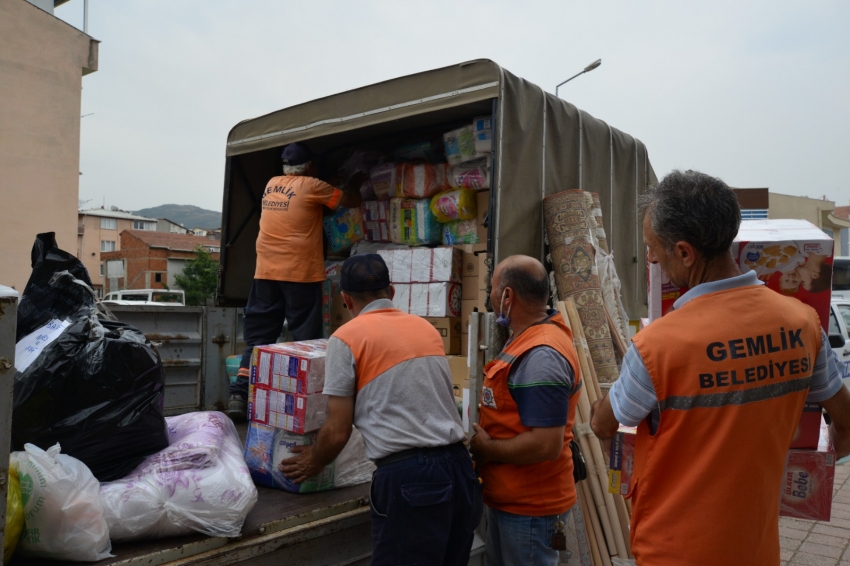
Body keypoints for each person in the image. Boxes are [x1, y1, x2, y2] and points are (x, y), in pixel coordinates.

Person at [590, 169, 850, 566]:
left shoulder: (657, 346)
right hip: (757, 549)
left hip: (672, 551)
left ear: (684, 252)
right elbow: (846, 426)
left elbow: (603, 424)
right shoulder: (802, 323)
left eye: (653, 247)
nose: (651, 258)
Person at [279, 254, 482, 566]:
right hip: (459, 469)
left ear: (345, 299)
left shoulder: (346, 338)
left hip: (411, 478)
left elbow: (336, 431)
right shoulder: (425, 328)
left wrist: (313, 462)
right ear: (393, 291)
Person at [227, 142, 362, 420]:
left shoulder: (271, 184)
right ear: (311, 167)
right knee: (305, 340)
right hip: (300, 274)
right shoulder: (314, 186)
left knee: (259, 339)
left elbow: (301, 198)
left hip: (264, 273)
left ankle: (239, 395)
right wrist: (358, 183)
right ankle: (305, 402)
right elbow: (350, 201)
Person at [469, 255, 583, 566]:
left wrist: (487, 448)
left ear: (507, 296)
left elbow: (546, 444)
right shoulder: (525, 339)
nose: (490, 297)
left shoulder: (541, 355)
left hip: (531, 508)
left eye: (492, 290)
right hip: (513, 499)